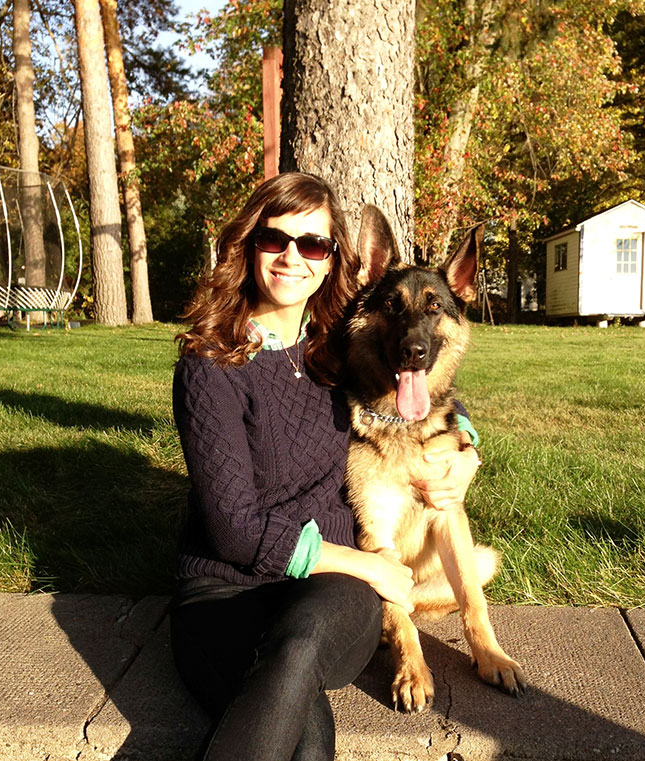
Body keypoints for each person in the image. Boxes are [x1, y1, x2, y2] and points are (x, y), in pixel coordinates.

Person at [170, 172, 480, 761]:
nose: (293, 257)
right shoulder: (209, 367)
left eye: (312, 244)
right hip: (225, 593)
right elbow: (235, 531)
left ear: (332, 258)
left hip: (331, 595)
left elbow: (428, 404)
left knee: (299, 647)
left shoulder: (337, 350)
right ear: (247, 245)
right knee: (306, 733)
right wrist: (372, 566)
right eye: (275, 239)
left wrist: (465, 446)